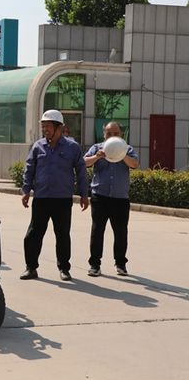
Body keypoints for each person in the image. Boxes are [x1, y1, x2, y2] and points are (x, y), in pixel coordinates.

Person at [20, 109, 89, 281]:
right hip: (41, 198)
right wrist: (26, 190)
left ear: (59, 128)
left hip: (62, 199)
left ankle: (64, 268)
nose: (45, 130)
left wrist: (84, 194)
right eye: (43, 126)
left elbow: (81, 171)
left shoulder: (72, 147)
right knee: (34, 234)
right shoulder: (38, 146)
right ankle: (31, 268)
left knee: (62, 234)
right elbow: (29, 169)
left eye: (48, 126)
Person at [84, 121, 139, 277]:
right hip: (100, 196)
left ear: (121, 135)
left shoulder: (127, 149)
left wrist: (122, 154)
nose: (112, 136)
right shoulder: (97, 148)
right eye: (109, 133)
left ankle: (120, 264)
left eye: (116, 133)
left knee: (121, 232)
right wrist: (97, 156)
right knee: (97, 231)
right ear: (104, 134)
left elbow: (135, 164)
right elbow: (84, 162)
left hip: (120, 198)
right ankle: (95, 264)